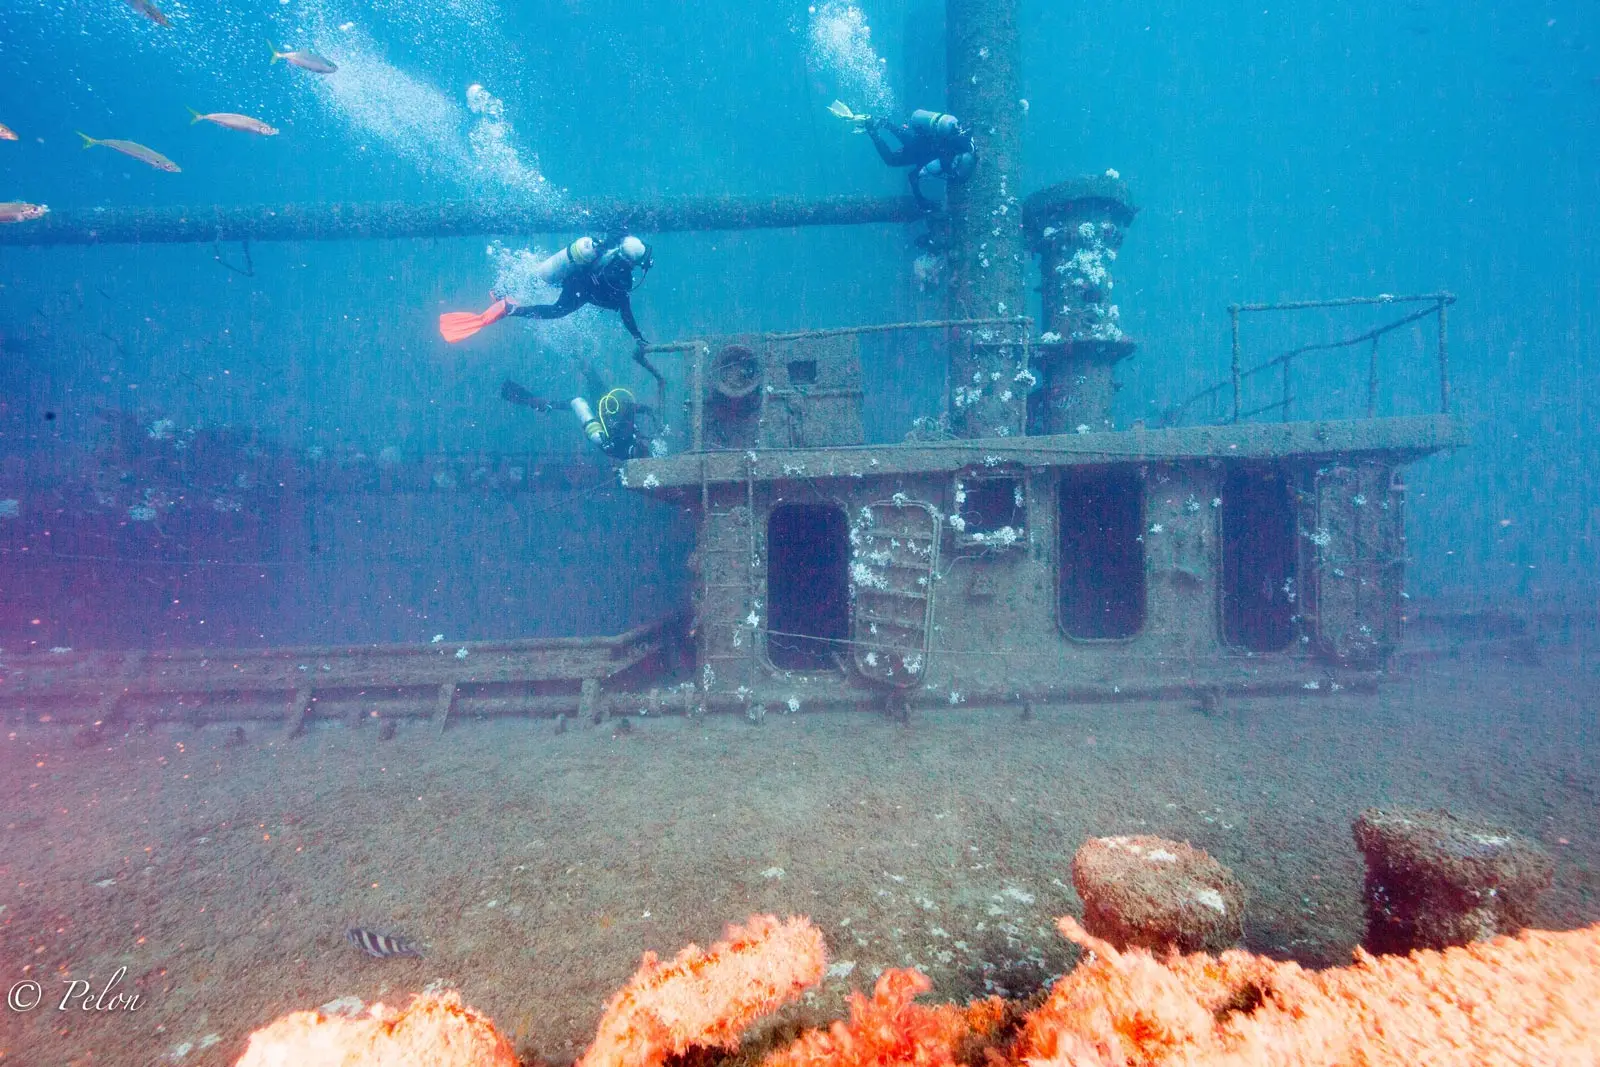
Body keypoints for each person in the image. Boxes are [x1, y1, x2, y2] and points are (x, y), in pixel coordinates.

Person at [439, 234, 655, 359]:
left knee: (541, 280)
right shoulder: (622, 277)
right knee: (556, 311)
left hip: (575, 277)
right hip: (583, 291)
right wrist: (637, 336)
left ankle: (503, 292)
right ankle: (511, 309)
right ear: (631, 261)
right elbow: (625, 311)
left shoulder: (609, 247)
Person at [501, 364, 658, 461]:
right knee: (591, 374)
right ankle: (577, 354)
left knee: (578, 398)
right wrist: (648, 412)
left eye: (642, 448)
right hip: (606, 409)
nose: (643, 444)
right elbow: (629, 410)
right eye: (644, 446)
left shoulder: (619, 445)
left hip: (599, 418)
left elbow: (578, 404)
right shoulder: (631, 441)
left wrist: (642, 411)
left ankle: (539, 403)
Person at [862, 109, 977, 211]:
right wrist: (920, 199)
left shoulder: (966, 143)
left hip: (924, 139)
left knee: (903, 136)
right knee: (891, 159)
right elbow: (913, 176)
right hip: (918, 150)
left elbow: (968, 130)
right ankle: (873, 130)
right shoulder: (941, 164)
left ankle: (884, 123)